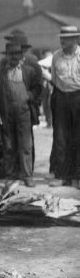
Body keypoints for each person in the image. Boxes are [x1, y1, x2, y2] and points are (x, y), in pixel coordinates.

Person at [0, 40, 42, 187]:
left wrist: (29, 96)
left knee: (25, 145)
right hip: (6, 113)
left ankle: (27, 176)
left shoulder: (28, 71)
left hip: (23, 113)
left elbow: (38, 89)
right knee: (9, 145)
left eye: (16, 54)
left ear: (21, 55)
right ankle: (10, 175)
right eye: (10, 54)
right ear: (6, 56)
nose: (13, 57)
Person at [49, 26, 80, 188]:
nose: (62, 41)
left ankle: (77, 177)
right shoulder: (56, 56)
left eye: (66, 38)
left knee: (78, 137)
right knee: (61, 137)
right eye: (61, 38)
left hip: (78, 97)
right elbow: (54, 78)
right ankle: (62, 175)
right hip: (61, 97)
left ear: (75, 39)